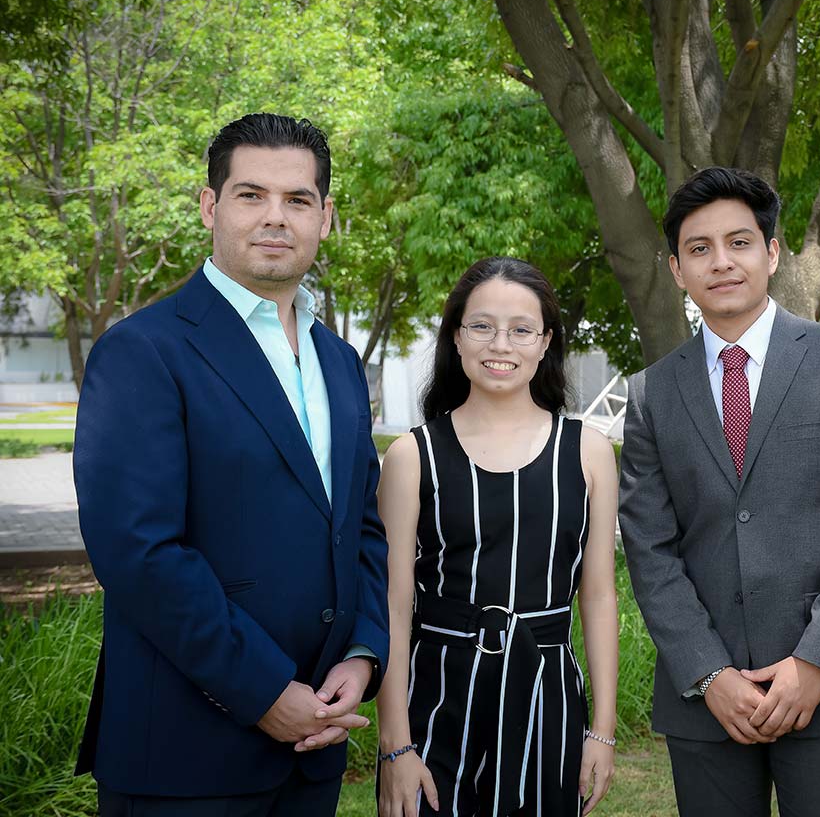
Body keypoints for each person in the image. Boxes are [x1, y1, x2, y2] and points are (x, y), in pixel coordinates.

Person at [73, 113, 390, 815]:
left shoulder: (339, 362)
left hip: (315, 753)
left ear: (326, 217)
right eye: (252, 195)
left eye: (298, 200)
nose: (276, 217)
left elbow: (360, 527)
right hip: (184, 757)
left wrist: (364, 653)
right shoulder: (142, 352)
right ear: (211, 207)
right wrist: (266, 692)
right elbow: (139, 553)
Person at [618, 167, 820, 817]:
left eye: (739, 242)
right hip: (707, 699)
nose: (722, 262)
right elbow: (650, 551)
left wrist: (816, 661)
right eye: (700, 248)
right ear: (676, 268)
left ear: (771, 253)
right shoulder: (652, 394)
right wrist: (707, 672)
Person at [374, 257, 619, 817]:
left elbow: (599, 594)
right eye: (481, 326)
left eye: (520, 329)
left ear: (545, 342)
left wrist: (602, 730)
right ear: (457, 337)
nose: (500, 343)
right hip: (436, 695)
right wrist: (395, 743)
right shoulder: (414, 455)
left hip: (546, 692)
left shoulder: (587, 452)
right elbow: (393, 601)